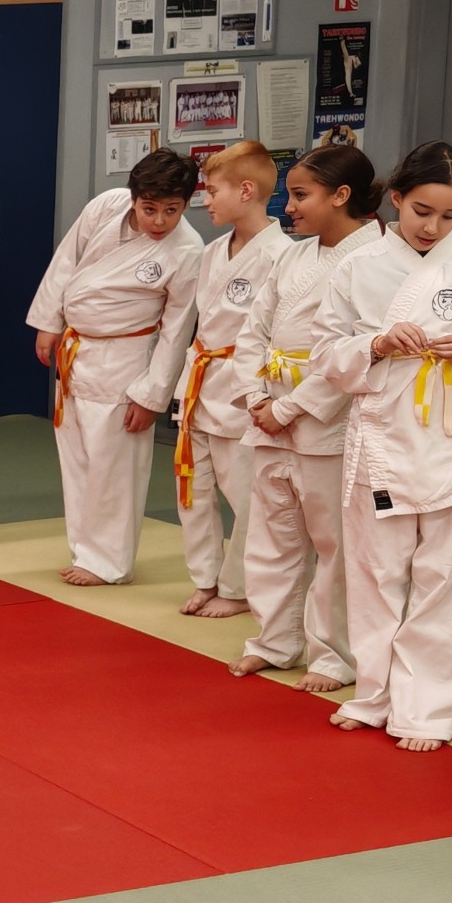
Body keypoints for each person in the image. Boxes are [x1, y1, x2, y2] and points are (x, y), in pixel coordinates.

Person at [321, 141, 452, 750]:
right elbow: (326, 353)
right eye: (421, 211)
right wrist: (376, 345)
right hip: (383, 440)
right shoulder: (358, 266)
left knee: (447, 578)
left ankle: (428, 710)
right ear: (395, 198)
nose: (433, 227)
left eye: (450, 215)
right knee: (375, 574)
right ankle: (375, 694)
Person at [230, 143, 383, 692]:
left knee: (333, 542)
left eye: (300, 195)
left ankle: (334, 654)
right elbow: (253, 331)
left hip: (327, 416)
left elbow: (359, 351)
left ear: (341, 195)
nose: (288, 207)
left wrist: (290, 407)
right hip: (269, 407)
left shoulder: (376, 259)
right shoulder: (293, 256)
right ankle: (274, 639)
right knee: (270, 534)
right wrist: (255, 397)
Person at [25, 148, 203, 588]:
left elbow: (177, 331)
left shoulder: (188, 250)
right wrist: (49, 322)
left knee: (116, 467)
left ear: (187, 203)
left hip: (128, 361)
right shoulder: (106, 206)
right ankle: (84, 551)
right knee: (78, 460)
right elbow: (66, 260)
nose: (159, 220)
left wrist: (152, 396)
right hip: (78, 351)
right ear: (133, 198)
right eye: (149, 208)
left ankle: (108, 562)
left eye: (171, 210)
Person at [171, 141, 290, 618]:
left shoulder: (282, 255)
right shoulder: (212, 251)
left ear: (246, 191)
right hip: (200, 381)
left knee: (246, 496)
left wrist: (261, 394)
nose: (205, 201)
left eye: (212, 190)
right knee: (193, 490)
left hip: (242, 388)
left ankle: (237, 588)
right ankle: (205, 578)